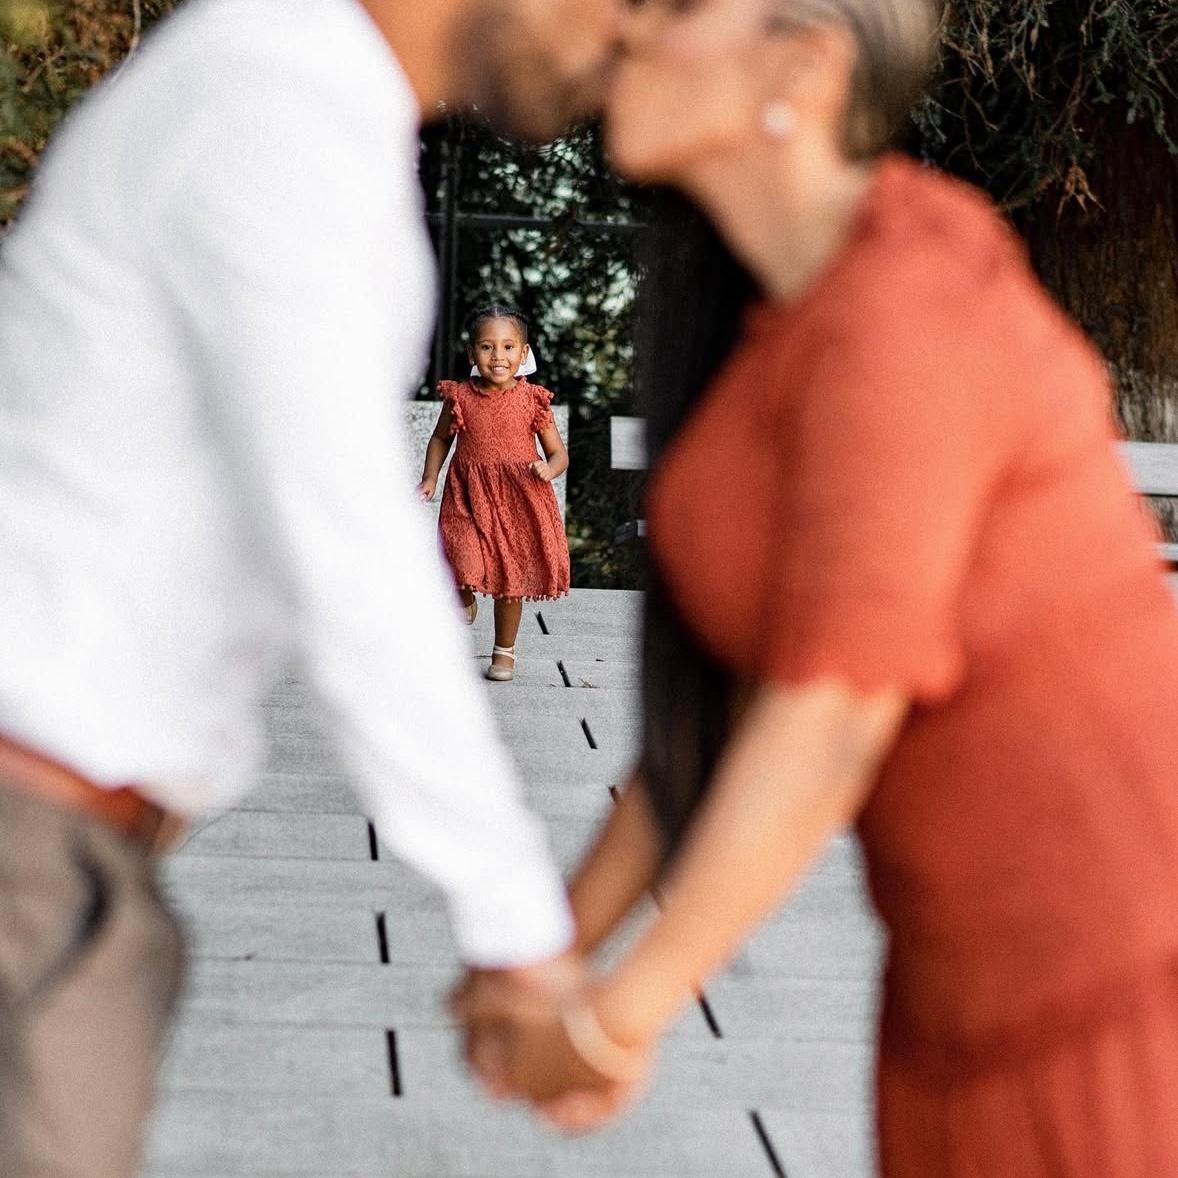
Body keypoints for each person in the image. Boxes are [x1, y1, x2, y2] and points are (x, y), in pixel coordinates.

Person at [453, 0, 1178, 1172]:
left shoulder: (909, 305)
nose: (626, 26)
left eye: (677, 8)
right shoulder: (773, 310)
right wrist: (550, 955)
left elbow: (830, 714)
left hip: (1106, 1006)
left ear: (802, 67)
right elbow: (714, 709)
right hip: (953, 997)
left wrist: (615, 1015)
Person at [0, 0, 622, 1174]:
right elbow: (350, 547)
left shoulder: (304, 96)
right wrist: (514, 925)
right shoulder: (277, 105)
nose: (621, 42)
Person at [418, 305, 571, 682]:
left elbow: (558, 453)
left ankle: (504, 652)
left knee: (510, 579)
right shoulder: (460, 397)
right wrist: (430, 478)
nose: (498, 356)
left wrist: (548, 469)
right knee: (459, 554)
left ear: (523, 352)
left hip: (518, 499)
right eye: (487, 347)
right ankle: (463, 595)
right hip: (468, 497)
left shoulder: (532, 400)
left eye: (507, 347)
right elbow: (440, 439)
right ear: (472, 353)